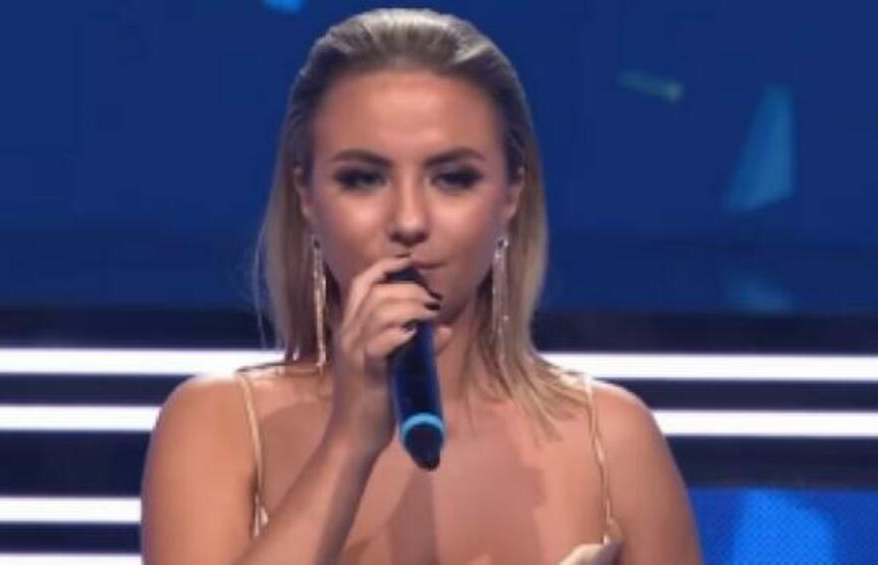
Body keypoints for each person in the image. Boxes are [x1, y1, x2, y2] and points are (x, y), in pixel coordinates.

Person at [141, 8, 701, 564]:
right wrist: (349, 443)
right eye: (363, 179)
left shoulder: (614, 439)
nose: (409, 220)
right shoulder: (218, 426)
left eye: (452, 178)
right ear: (306, 196)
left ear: (511, 194)